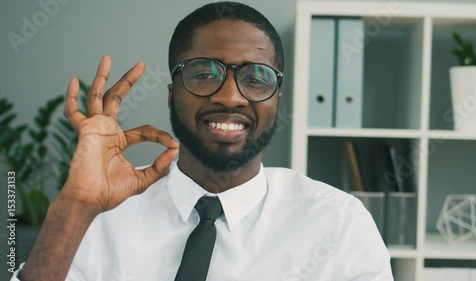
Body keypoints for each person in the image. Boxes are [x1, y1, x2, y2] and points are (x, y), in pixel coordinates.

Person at [13, 2, 393, 280]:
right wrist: (75, 206)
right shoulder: (100, 212)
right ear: (171, 94)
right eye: (203, 74)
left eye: (256, 78)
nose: (229, 97)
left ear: (277, 98)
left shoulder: (338, 224)